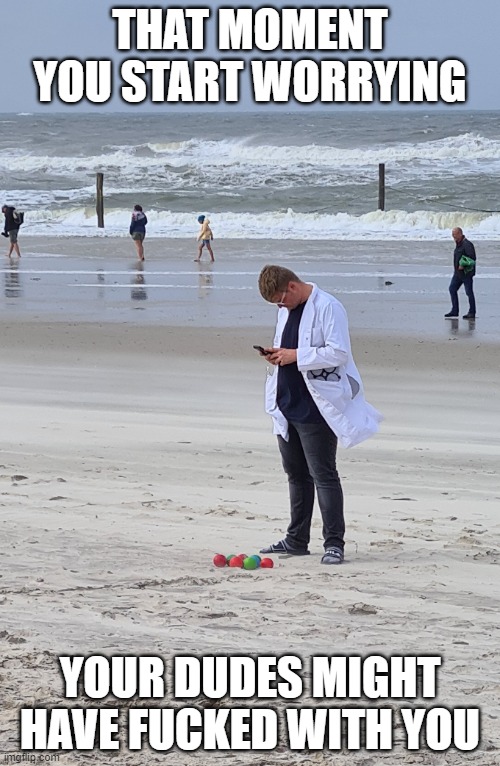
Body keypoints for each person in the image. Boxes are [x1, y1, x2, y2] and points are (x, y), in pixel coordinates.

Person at [257, 265, 382, 565]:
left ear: (292, 287)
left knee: (323, 475)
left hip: (317, 406)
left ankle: (334, 544)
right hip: (286, 400)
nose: (280, 306)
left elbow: (338, 352)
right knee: (296, 475)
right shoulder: (286, 309)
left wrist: (295, 355)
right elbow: (289, 348)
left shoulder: (328, 306)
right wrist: (277, 354)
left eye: (280, 300)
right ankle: (296, 539)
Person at [445, 227, 476, 320]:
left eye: (455, 235)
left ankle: (472, 312)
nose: (453, 237)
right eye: (452, 235)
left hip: (467, 273)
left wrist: (463, 265)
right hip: (457, 274)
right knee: (452, 289)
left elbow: (472, 258)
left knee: (469, 292)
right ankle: (455, 310)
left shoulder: (467, 244)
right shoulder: (458, 244)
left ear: (460, 234)